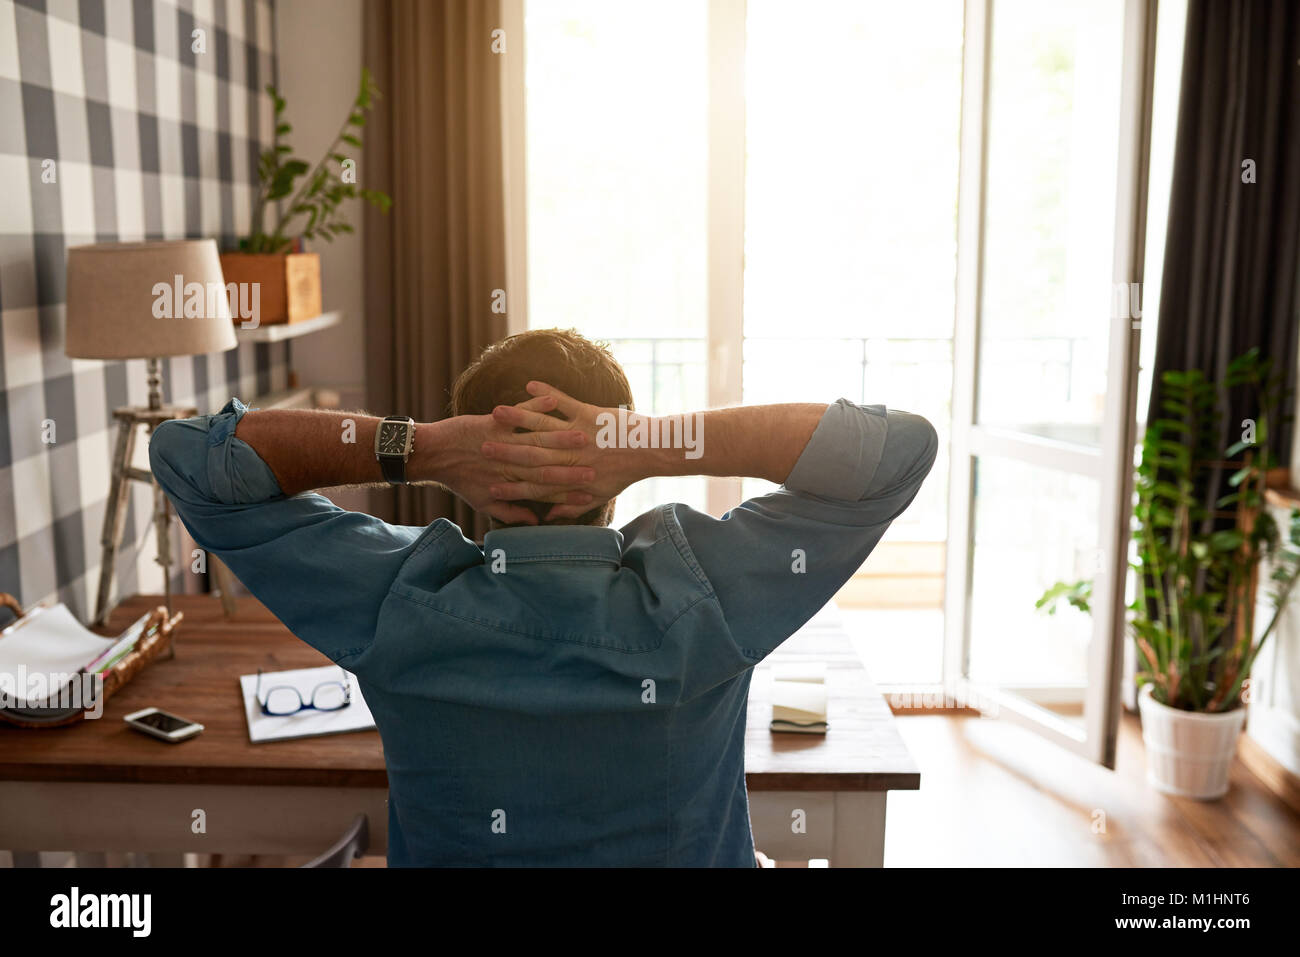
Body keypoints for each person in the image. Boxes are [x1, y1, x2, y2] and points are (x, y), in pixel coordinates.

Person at [149, 328, 938, 866]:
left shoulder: (394, 598)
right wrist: (647, 441)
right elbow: (897, 452)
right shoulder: (706, 594)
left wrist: (418, 447)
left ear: (473, 461)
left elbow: (188, 458)